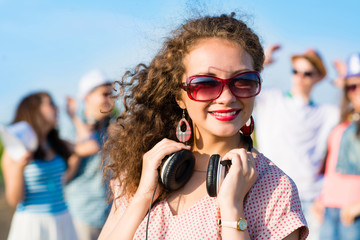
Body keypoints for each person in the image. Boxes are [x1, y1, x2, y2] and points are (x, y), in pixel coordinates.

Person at [99, 13, 308, 240]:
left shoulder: (274, 188)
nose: (227, 97)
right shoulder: (144, 169)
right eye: (206, 84)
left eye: (243, 81)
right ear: (179, 97)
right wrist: (143, 196)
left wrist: (232, 208)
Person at [255, 45, 339, 239]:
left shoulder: (327, 113)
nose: (299, 77)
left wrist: (345, 82)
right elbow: (245, 86)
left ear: (319, 77)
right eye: (296, 71)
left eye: (307, 73)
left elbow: (353, 106)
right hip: (270, 193)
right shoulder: (271, 99)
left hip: (310, 199)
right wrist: (261, 62)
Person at [1, 92, 79, 240]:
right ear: (34, 109)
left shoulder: (57, 144)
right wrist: (19, 167)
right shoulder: (14, 151)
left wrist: (74, 117)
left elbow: (90, 146)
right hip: (33, 225)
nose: (57, 108)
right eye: (51, 103)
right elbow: (14, 200)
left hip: (63, 219)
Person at [64, 69, 114, 240]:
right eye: (105, 94)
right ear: (87, 97)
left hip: (109, 215)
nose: (110, 99)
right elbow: (65, 176)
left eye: (111, 94)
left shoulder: (111, 129)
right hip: (82, 215)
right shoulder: (70, 130)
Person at [316, 52, 360, 240]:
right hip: (328, 209)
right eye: (351, 86)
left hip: (353, 214)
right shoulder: (342, 123)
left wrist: (357, 206)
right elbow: (332, 169)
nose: (356, 90)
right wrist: (321, 199)